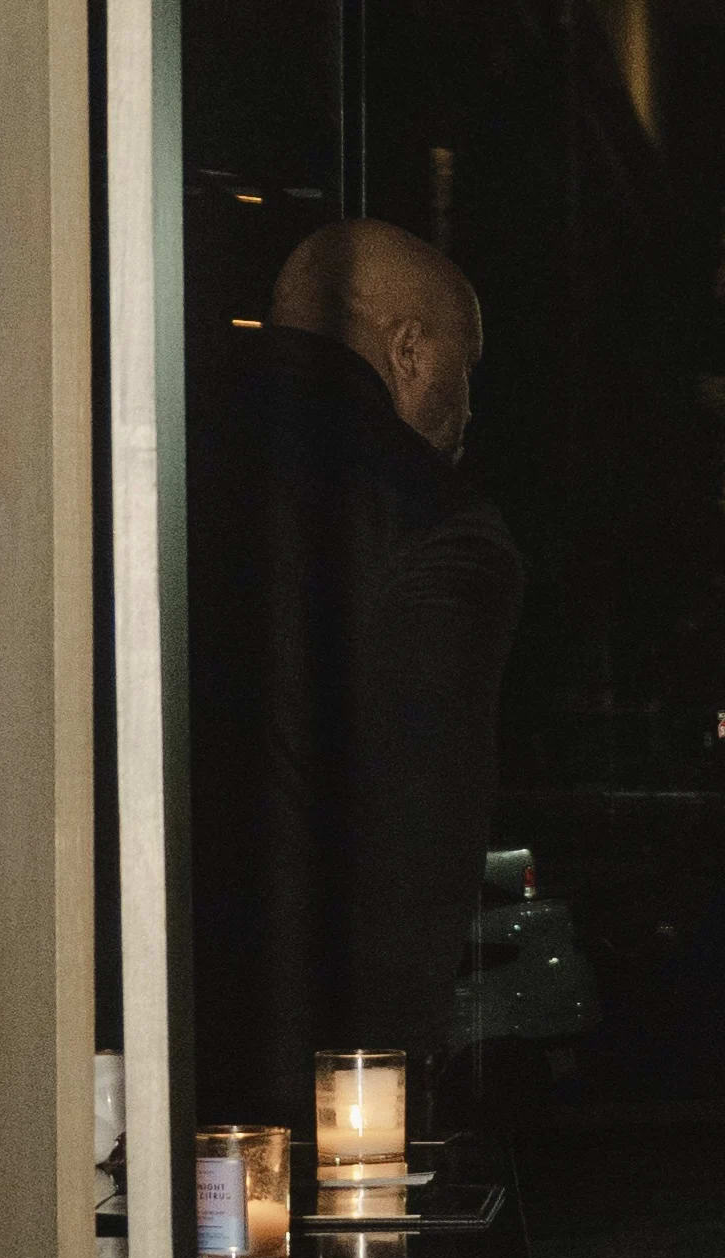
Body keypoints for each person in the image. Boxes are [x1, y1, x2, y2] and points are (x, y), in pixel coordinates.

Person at [189, 219, 524, 1124]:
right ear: (409, 349)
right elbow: (414, 861)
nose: (468, 410)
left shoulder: (131, 454)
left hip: (68, 1040)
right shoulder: (434, 522)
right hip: (284, 1082)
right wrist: (375, 1118)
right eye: (466, 368)